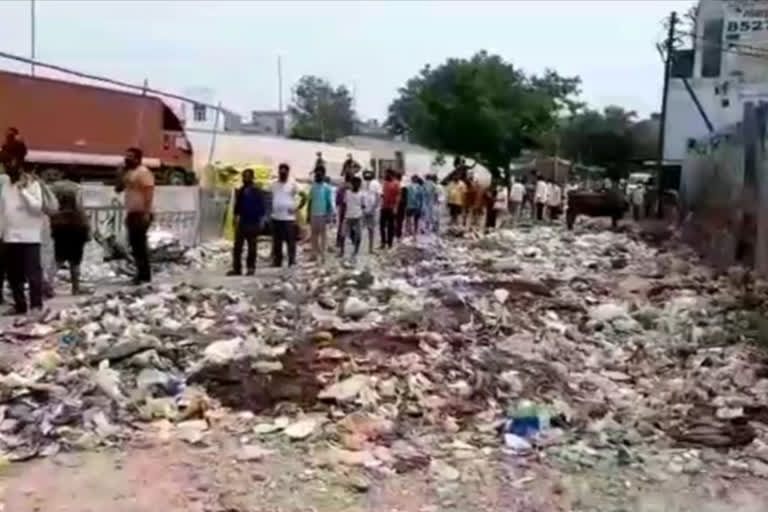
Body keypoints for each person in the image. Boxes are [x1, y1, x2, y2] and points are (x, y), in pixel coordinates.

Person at [1, 153, 44, 314]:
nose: (7, 167)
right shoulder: (6, 186)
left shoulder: (32, 184)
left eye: (10, 163)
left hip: (30, 236)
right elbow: (3, 211)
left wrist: (23, 191)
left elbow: (37, 207)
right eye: (5, 164)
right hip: (10, 236)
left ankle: (36, 306)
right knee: (14, 275)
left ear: (19, 166)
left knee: (33, 274)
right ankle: (20, 305)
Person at [116, 147, 154, 284]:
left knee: (139, 245)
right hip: (132, 212)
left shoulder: (143, 172)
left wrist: (147, 212)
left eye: (130, 156)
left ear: (138, 158)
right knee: (135, 245)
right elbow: (118, 189)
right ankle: (142, 273)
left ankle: (144, 275)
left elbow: (149, 193)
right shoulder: (129, 172)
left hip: (141, 213)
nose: (127, 159)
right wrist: (120, 174)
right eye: (126, 156)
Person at [49, 174, 90, 296]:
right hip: (75, 226)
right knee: (75, 260)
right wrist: (87, 226)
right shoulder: (78, 188)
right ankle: (75, 288)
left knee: (58, 259)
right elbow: (79, 207)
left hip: (58, 225)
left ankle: (47, 285)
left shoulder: (54, 188)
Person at [228, 168, 267, 276]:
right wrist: (235, 218)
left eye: (248, 176)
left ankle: (250, 267)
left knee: (252, 247)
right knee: (237, 247)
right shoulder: (240, 190)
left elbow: (262, 207)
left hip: (253, 222)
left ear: (252, 178)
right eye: (244, 176)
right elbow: (237, 207)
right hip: (243, 221)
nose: (245, 178)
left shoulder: (257, 191)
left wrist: (262, 220)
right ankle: (237, 269)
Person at [270, 163, 304, 267]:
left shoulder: (293, 184)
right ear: (279, 172)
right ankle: (277, 261)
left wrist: (297, 208)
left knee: (290, 241)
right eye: (281, 172)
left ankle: (291, 260)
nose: (282, 174)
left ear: (287, 173)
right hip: (276, 217)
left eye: (284, 172)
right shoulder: (274, 184)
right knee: (277, 241)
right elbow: (267, 195)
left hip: (288, 218)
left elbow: (304, 196)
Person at [307, 166, 334, 263]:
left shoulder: (327, 188)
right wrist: (308, 215)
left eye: (320, 173)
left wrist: (329, 216)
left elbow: (329, 203)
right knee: (314, 235)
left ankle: (323, 255)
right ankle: (314, 254)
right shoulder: (313, 187)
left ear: (323, 174)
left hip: (323, 215)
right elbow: (310, 201)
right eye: (317, 173)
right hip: (314, 214)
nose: (318, 175)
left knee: (323, 236)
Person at [342, 176, 365, 263]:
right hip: (351, 217)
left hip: (355, 217)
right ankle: (350, 252)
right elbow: (363, 205)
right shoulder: (348, 193)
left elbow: (345, 204)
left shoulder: (348, 193)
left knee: (355, 236)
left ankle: (354, 252)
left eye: (357, 184)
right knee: (347, 235)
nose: (355, 185)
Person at [361, 170, 381, 253]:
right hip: (365, 209)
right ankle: (367, 248)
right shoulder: (362, 183)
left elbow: (378, 197)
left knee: (370, 229)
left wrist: (373, 208)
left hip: (369, 209)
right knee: (367, 229)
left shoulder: (375, 183)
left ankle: (370, 248)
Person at [379, 169, 399, 249]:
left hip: (391, 208)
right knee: (382, 226)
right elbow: (383, 194)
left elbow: (398, 197)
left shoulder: (396, 184)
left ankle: (390, 243)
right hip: (384, 207)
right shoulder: (385, 183)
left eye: (386, 174)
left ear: (391, 174)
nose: (385, 175)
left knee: (390, 226)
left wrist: (395, 208)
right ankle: (383, 242)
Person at [395, 172, 408, 239]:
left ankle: (396, 232)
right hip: (402, 205)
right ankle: (398, 233)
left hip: (396, 204)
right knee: (400, 219)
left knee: (396, 219)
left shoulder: (396, 185)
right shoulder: (404, 186)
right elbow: (406, 197)